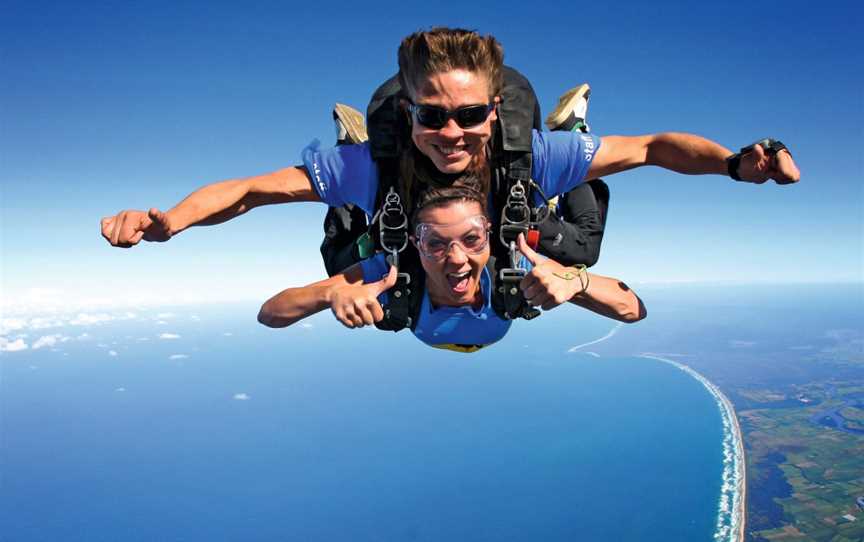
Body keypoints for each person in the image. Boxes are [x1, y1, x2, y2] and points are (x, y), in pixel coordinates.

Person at [101, 27, 800, 323]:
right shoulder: (376, 169)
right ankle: (571, 134)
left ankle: (572, 130)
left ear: (495, 113)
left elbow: (651, 148)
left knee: (359, 252)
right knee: (575, 250)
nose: (453, 132)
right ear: (407, 114)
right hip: (411, 203)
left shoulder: (522, 160)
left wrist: (736, 166)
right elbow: (249, 192)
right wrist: (170, 223)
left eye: (469, 114)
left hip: (492, 202)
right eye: (432, 116)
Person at [259, 180, 644, 353]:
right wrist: (330, 291)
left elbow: (634, 309)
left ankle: (351, 161)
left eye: (471, 241)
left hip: (467, 214)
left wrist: (577, 278)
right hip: (459, 216)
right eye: (436, 245)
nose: (457, 259)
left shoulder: (396, 284)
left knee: (340, 257)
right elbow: (270, 314)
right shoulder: (515, 283)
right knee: (582, 249)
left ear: (487, 235)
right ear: (417, 244)